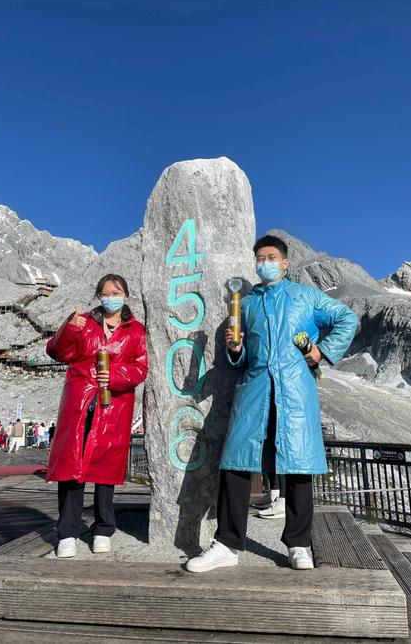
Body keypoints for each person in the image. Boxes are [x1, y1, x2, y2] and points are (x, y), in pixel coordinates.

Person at [186, 235, 358, 573]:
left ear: (285, 262)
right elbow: (242, 356)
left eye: (271, 257)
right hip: (255, 390)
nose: (264, 263)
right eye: (259, 258)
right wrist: (235, 351)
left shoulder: (306, 297)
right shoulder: (246, 305)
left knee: (297, 467)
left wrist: (320, 351)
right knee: (236, 462)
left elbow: (346, 318)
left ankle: (299, 543)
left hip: (295, 391)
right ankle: (227, 543)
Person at [46, 274, 148, 559]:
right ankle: (67, 531)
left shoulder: (136, 331)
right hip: (79, 402)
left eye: (116, 292)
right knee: (72, 469)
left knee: (105, 470)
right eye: (104, 292)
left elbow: (140, 368)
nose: (110, 296)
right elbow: (57, 351)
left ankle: (103, 530)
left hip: (113, 406)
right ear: (98, 296)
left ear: (125, 295)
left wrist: (114, 375)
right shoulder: (85, 324)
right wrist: (68, 329)